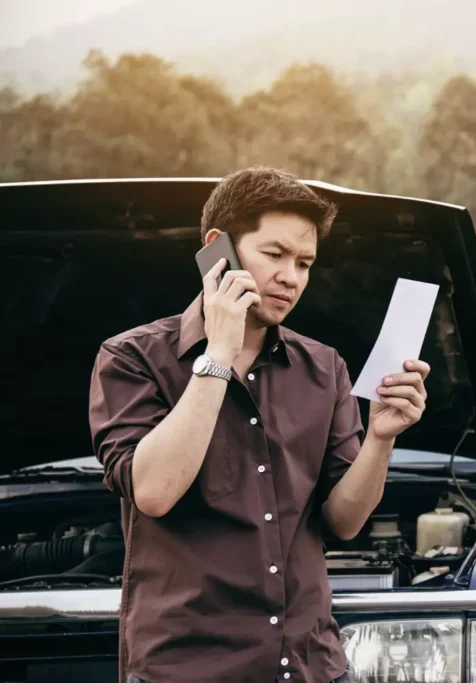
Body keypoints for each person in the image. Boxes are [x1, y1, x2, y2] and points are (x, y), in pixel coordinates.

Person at [88, 167, 429, 683]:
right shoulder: (131, 359)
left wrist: (381, 438)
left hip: (311, 665)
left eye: (305, 262)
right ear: (217, 248)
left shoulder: (325, 368)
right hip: (188, 671)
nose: (291, 277)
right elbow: (154, 491)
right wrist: (218, 354)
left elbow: (344, 522)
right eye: (274, 254)